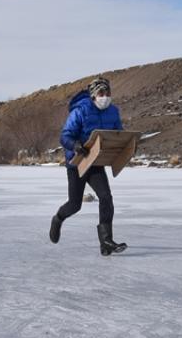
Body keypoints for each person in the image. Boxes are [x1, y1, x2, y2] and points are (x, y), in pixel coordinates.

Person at [49, 76, 127, 255]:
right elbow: (65, 135)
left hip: (96, 162)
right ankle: (58, 218)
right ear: (93, 95)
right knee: (75, 205)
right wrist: (75, 145)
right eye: (101, 92)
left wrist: (126, 143)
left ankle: (106, 241)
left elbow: (118, 133)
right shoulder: (80, 111)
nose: (105, 96)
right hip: (77, 163)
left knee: (106, 197)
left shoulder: (113, 111)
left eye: (107, 92)